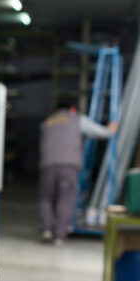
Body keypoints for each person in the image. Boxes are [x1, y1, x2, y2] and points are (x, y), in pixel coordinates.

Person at [39, 100, 117, 246]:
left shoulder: (47, 122)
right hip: (69, 164)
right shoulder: (77, 119)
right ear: (72, 109)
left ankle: (46, 230)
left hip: (47, 164)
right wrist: (110, 130)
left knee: (46, 198)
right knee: (66, 198)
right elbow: (100, 132)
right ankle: (59, 236)